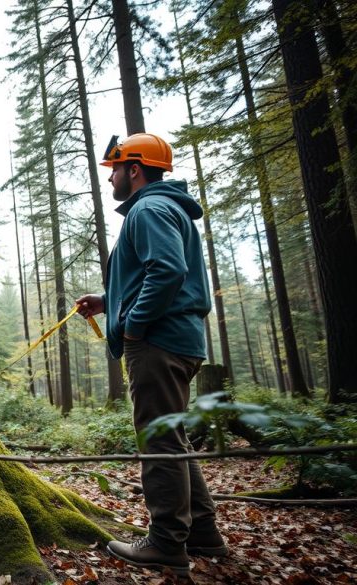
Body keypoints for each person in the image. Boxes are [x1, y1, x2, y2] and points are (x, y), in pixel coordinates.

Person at [75, 133, 228, 577]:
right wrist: (109, 300)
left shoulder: (148, 208)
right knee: (171, 437)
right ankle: (202, 533)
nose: (111, 181)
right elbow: (152, 272)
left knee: (158, 440)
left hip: (158, 343)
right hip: (177, 339)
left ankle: (164, 543)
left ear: (135, 169)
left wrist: (135, 325)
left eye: (115, 171)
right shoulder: (164, 207)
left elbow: (167, 270)